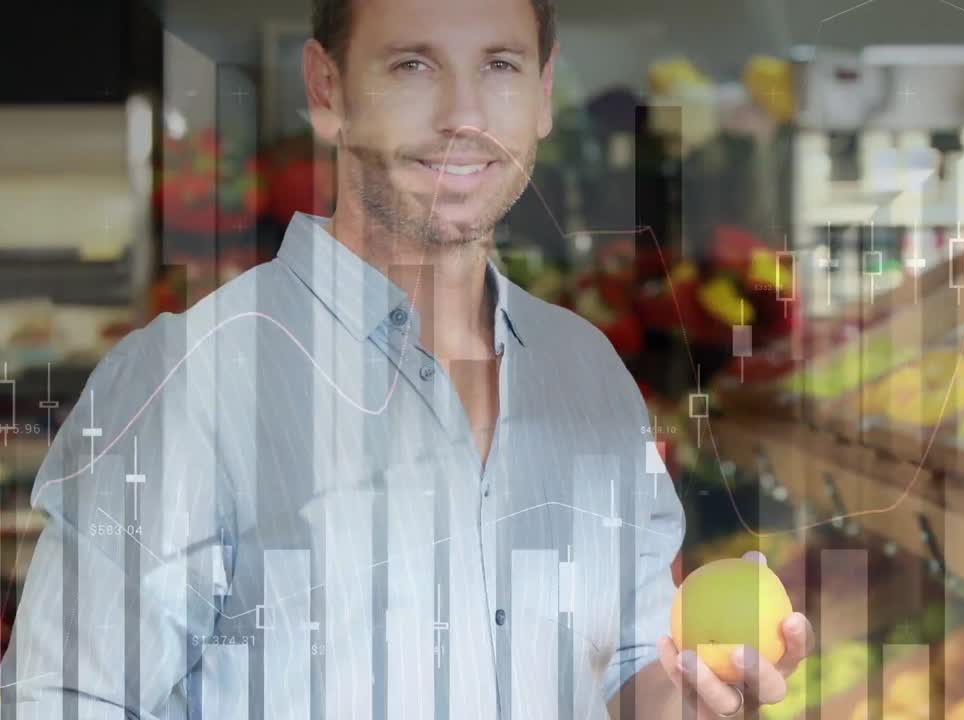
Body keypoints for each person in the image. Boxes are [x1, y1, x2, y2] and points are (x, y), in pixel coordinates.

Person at [0, 0, 813, 717]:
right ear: (328, 90)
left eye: (499, 65)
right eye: (413, 65)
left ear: (542, 94)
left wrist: (696, 698)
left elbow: (628, 665)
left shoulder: (590, 375)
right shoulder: (186, 383)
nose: (463, 114)